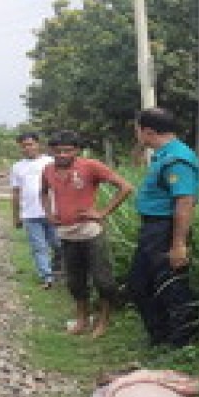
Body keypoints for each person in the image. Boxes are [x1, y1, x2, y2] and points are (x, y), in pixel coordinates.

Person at [40, 130, 134, 338]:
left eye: (68, 151)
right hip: (66, 234)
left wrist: (103, 212)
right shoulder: (47, 170)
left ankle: (103, 321)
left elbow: (125, 187)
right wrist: (48, 213)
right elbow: (43, 192)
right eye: (57, 151)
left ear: (77, 151)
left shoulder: (90, 166)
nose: (62, 155)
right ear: (51, 151)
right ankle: (82, 319)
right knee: (74, 281)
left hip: (91, 233)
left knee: (103, 280)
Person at [129, 108, 199, 347]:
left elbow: (184, 202)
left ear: (148, 131)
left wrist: (178, 244)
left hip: (165, 229)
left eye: (137, 130)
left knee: (171, 285)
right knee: (141, 284)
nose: (136, 135)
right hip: (153, 229)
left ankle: (181, 342)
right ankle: (160, 336)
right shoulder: (163, 155)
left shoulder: (177, 159)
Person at [11, 131, 60, 288]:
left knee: (58, 244)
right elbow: (16, 192)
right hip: (30, 214)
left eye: (30, 144)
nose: (27, 148)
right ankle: (47, 277)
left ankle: (59, 269)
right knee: (39, 247)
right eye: (24, 146)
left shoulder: (51, 162)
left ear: (38, 144)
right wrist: (16, 216)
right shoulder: (17, 167)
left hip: (52, 211)